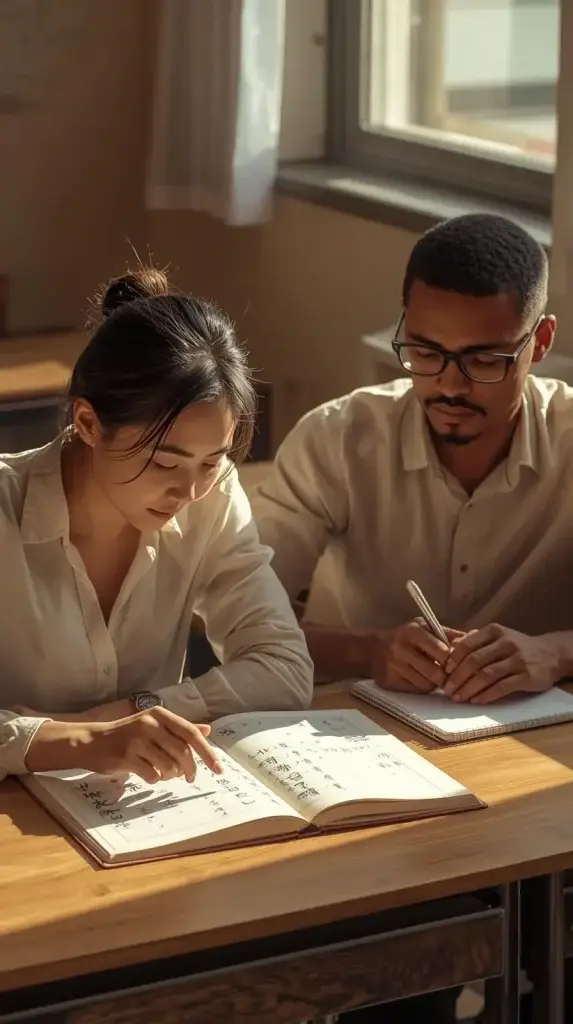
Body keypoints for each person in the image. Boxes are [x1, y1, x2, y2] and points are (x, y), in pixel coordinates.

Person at [251, 212, 573, 1022]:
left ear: (537, 344)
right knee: (395, 983)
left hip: (531, 776)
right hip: (366, 779)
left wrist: (552, 654)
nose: (448, 383)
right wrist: (366, 649)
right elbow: (237, 628)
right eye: (423, 352)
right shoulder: (339, 437)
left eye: (483, 360)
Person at [0, 268, 313, 786]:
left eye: (210, 462)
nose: (189, 492)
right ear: (88, 424)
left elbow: (283, 667)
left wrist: (142, 707)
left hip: (133, 818)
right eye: (166, 463)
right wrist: (76, 739)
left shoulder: (213, 497)